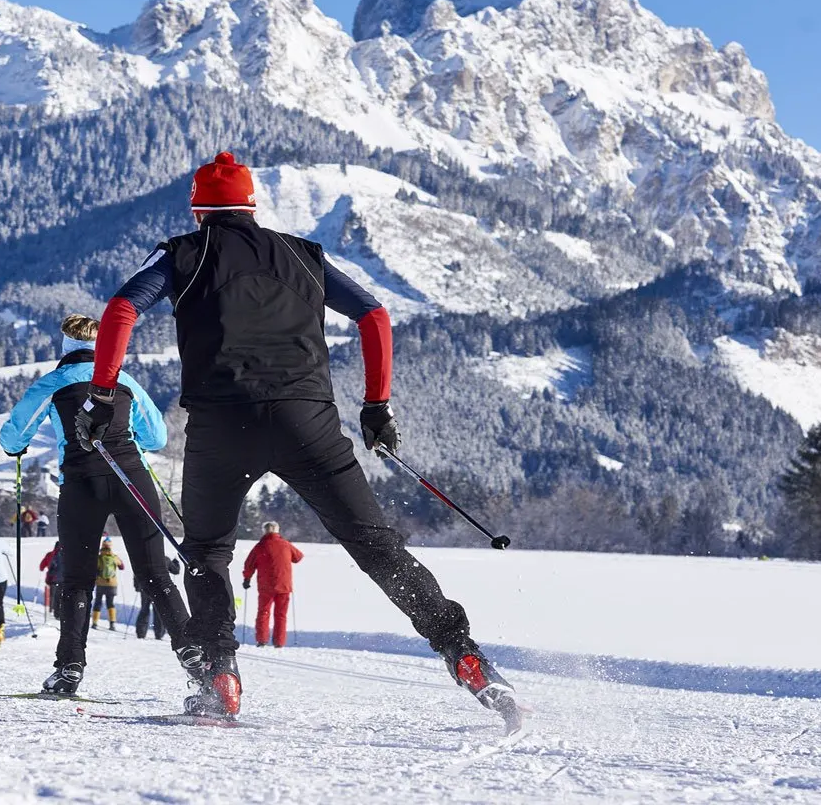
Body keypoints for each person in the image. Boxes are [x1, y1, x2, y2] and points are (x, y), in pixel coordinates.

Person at [81, 151, 523, 727]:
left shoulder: (182, 254)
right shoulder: (302, 253)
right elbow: (373, 315)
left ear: (198, 209)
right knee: (377, 549)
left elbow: (120, 311)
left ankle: (219, 677)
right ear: (251, 205)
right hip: (308, 423)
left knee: (209, 552)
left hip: (221, 426)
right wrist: (377, 405)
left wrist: (103, 396)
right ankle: (462, 653)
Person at [0, 314, 202, 698]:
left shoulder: (53, 382)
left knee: (76, 580)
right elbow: (156, 437)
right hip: (132, 480)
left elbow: (14, 435)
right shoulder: (124, 381)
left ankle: (69, 669)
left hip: (82, 483)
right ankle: (193, 654)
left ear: (65, 346)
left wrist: (16, 447)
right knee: (155, 575)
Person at [243, 521, 303, 648]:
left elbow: (249, 564)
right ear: (277, 531)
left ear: (264, 531)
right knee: (281, 615)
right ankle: (279, 642)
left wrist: (247, 579)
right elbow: (298, 557)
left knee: (263, 612)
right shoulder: (286, 545)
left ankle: (262, 640)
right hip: (284, 585)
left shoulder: (260, 546)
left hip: (266, 586)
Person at [93, 540, 125, 631]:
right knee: (110, 603)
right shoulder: (114, 557)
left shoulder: (99, 558)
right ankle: (112, 623)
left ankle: (95, 623)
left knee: (98, 602)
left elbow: (94, 569)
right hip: (112, 584)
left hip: (100, 583)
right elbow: (122, 567)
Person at [38, 542, 62, 612]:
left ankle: (51, 610)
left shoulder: (50, 554)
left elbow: (41, 566)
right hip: (62, 579)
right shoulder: (65, 555)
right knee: (59, 595)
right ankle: (57, 612)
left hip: (51, 579)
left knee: (52, 595)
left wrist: (42, 569)